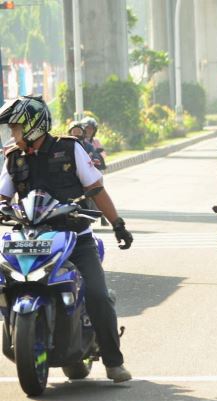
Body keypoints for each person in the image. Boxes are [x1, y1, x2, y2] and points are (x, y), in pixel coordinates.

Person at [0, 96, 134, 382]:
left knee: (97, 294)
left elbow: (96, 189)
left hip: (75, 237)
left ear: (33, 125)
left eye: (16, 127)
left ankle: (113, 361)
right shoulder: (13, 158)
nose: (13, 133)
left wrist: (118, 224)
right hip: (30, 238)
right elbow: (2, 196)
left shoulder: (69, 149)